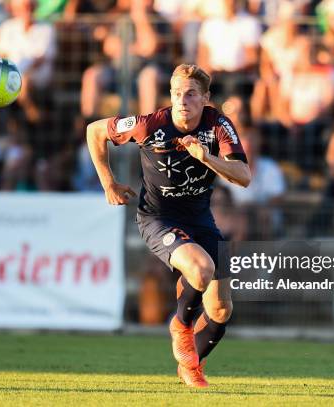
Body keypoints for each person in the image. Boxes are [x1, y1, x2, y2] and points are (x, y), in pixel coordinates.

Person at [86, 64, 250, 388]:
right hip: (158, 218)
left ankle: (191, 366)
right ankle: (180, 325)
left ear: (206, 98)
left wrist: (207, 158)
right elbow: (95, 130)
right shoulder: (151, 125)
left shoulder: (218, 125)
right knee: (201, 269)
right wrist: (109, 183)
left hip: (201, 219)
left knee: (220, 309)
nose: (182, 101)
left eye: (190, 94)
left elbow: (243, 175)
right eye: (177, 93)